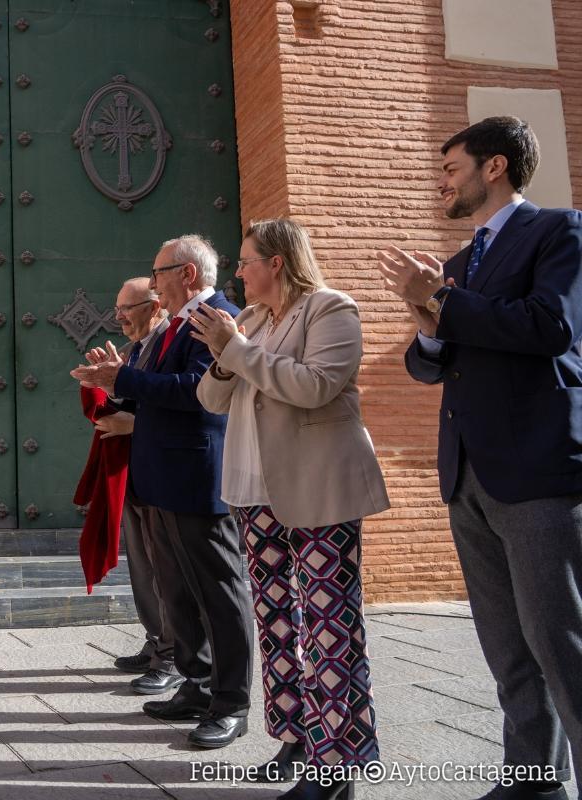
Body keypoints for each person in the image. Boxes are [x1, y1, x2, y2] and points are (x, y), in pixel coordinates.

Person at [377, 116, 582, 800]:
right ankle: (533, 781)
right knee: (506, 647)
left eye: (451, 169)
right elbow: (432, 365)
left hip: (536, 470)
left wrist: (441, 301)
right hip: (467, 472)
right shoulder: (459, 265)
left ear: (493, 168)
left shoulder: (559, 231)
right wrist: (430, 321)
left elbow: (550, 327)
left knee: (561, 644)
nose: (443, 183)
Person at [194, 218, 389, 799]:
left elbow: (314, 386)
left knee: (331, 627)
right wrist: (226, 355)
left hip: (317, 487)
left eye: (247, 260)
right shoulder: (249, 321)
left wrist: (237, 349)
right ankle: (297, 739)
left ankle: (338, 767)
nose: (238, 271)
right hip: (255, 492)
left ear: (276, 262)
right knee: (278, 623)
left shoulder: (331, 310)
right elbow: (211, 396)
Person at [71, 235, 254, 750]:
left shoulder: (217, 317)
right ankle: (195, 686)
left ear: (187, 274)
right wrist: (113, 380)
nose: (154, 284)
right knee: (178, 591)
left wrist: (126, 376)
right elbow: (153, 389)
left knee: (219, 592)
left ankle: (231, 702)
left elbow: (199, 393)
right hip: (162, 478)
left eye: (159, 273)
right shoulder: (174, 324)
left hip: (197, 478)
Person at [72, 278, 173, 688]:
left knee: (168, 569)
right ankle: (157, 642)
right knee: (145, 565)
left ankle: (174, 657)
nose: (118, 317)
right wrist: (101, 382)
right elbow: (119, 407)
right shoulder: (134, 352)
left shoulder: (172, 344)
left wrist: (136, 423)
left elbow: (185, 404)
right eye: (116, 309)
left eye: (125, 308)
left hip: (166, 472)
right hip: (132, 472)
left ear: (154, 305)